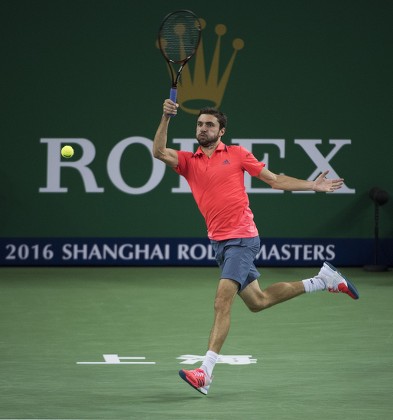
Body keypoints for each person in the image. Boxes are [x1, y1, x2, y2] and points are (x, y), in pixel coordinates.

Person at [153, 99, 359, 396]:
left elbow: (274, 180)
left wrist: (312, 185)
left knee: (222, 299)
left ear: (221, 130)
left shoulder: (237, 154)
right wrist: (165, 117)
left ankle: (205, 373)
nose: (203, 128)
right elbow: (159, 152)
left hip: (243, 238)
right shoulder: (188, 161)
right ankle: (324, 280)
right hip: (219, 243)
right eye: (200, 124)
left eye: (210, 124)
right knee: (258, 301)